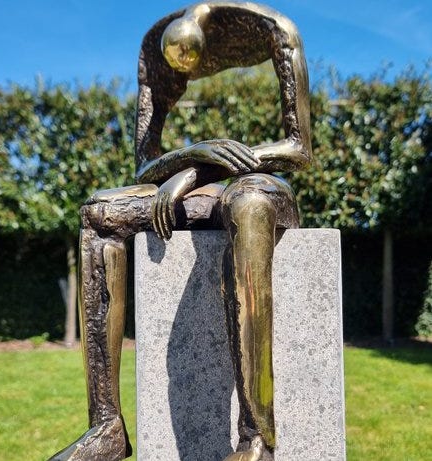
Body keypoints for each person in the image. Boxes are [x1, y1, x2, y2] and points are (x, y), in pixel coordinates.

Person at [49, 2, 311, 460]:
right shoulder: (155, 48)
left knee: (246, 203)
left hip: (262, 185)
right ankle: (106, 427)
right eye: (178, 62)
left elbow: (298, 148)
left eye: (190, 58)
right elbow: (145, 166)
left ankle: (257, 440)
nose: (184, 68)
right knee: (99, 213)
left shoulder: (277, 31)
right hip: (204, 188)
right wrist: (194, 152)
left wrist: (193, 172)